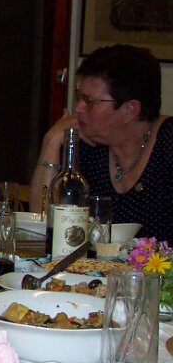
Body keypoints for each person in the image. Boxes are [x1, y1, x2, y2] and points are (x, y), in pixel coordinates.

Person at [30, 44, 171, 242]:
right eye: (79, 97)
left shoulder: (167, 144)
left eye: (90, 101)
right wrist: (51, 141)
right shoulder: (87, 145)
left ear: (130, 110)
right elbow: (41, 223)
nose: (78, 108)